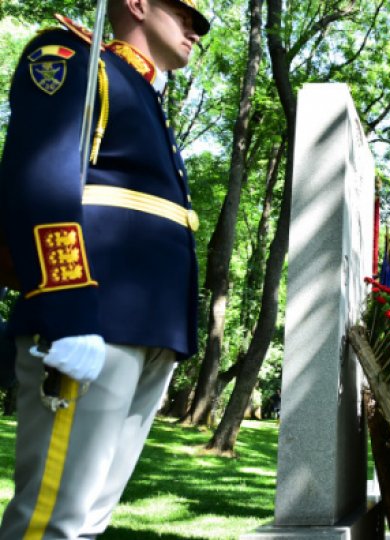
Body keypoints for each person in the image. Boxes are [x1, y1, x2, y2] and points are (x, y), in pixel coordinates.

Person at [0, 1, 208, 537]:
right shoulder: (76, 62)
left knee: (89, 520)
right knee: (51, 523)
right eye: (184, 10)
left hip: (150, 330)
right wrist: (68, 312)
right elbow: (41, 181)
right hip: (94, 321)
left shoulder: (142, 92)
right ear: (137, 4)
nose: (195, 27)